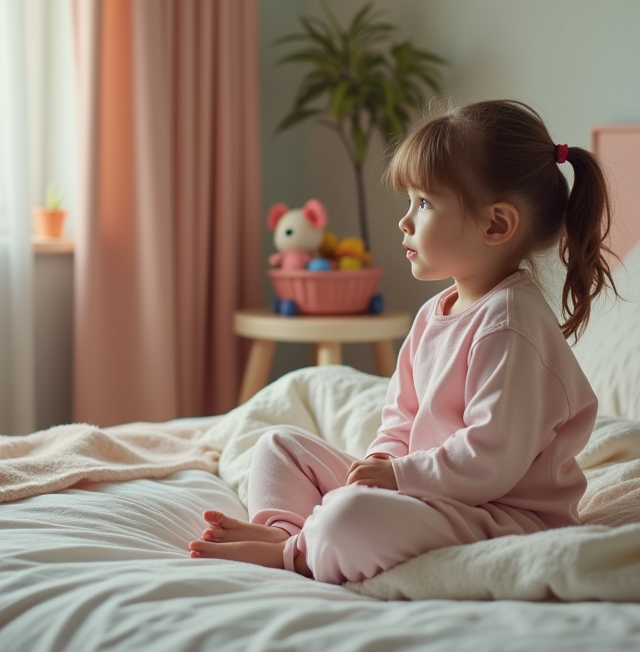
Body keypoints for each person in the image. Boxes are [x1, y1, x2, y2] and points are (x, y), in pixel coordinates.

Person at [189, 99, 617, 584]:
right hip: (428, 490)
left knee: (350, 517)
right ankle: (288, 536)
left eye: (426, 203)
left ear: (496, 224)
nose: (405, 220)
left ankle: (297, 549)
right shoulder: (434, 313)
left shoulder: (511, 327)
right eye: (409, 201)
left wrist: (397, 480)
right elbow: (402, 419)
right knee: (277, 445)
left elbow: (489, 461)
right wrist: (382, 461)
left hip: (499, 516)